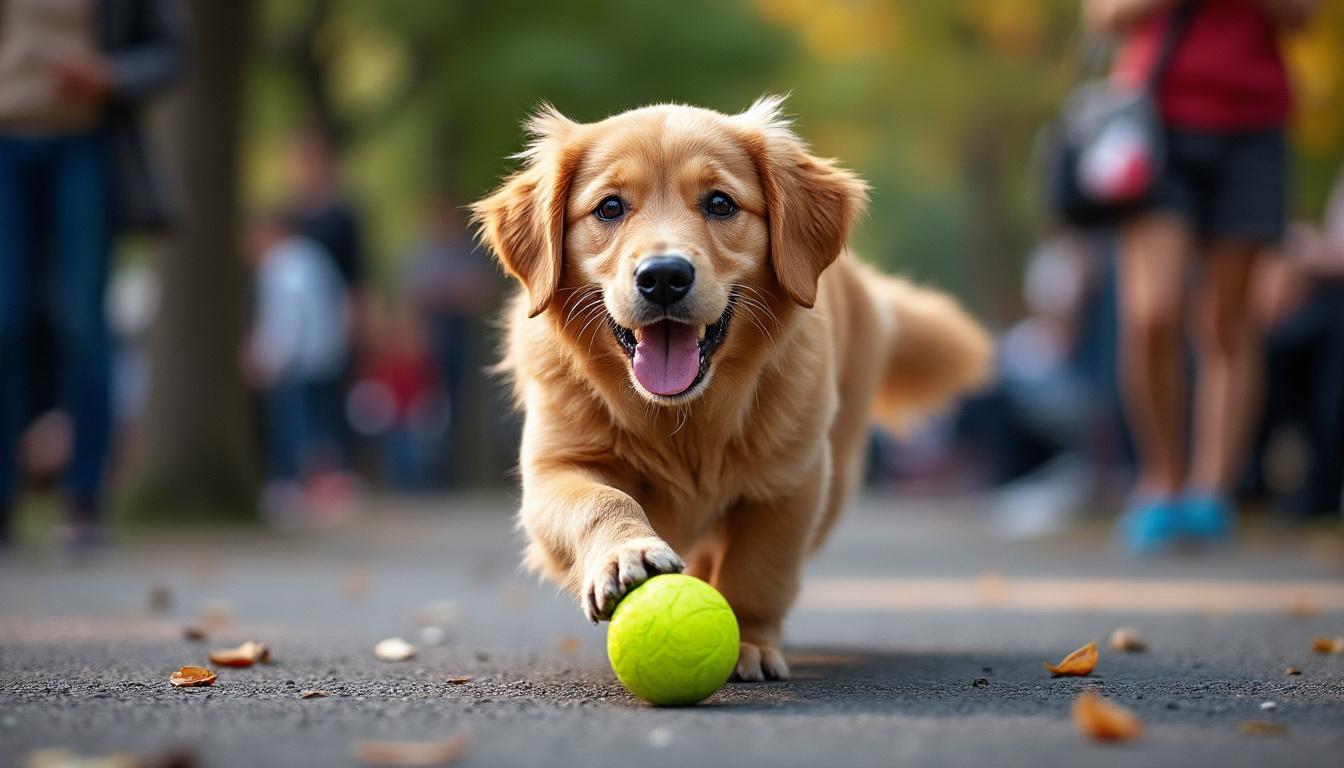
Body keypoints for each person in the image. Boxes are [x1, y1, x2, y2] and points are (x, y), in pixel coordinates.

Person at [1084, 0, 1318, 552]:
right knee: (1151, 314)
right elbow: (1105, 15)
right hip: (1154, 121)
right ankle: (1160, 483)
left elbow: (1303, 17)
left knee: (1225, 320)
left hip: (1252, 127)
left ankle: (1210, 493)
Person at [0, 0, 183, 548]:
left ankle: (84, 498)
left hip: (85, 140)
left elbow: (170, 51)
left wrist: (111, 75)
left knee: (83, 320)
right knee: (4, 319)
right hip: (6, 138)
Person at [242, 211, 350, 527]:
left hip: (297, 361)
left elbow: (286, 320)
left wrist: (269, 359)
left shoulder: (279, 264)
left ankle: (295, 489)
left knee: (294, 427)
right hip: (325, 355)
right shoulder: (315, 258)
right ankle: (326, 489)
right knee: (320, 424)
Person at [400, 195, 496, 486]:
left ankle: (456, 469)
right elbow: (413, 293)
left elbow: (479, 291)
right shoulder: (422, 253)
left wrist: (447, 293)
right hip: (430, 334)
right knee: (426, 403)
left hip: (461, 333)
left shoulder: (468, 251)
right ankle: (426, 470)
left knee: (459, 401)